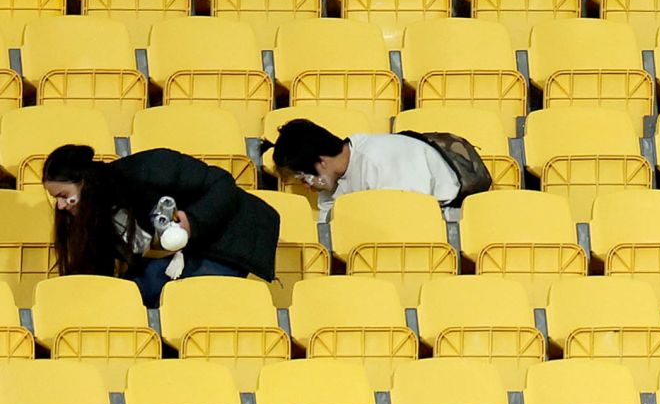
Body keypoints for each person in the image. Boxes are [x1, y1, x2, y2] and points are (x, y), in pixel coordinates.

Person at [42, 143, 281, 308]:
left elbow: (222, 183)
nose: (61, 206)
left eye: (64, 195)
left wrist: (193, 222)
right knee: (132, 296)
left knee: (187, 300)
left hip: (225, 240)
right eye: (56, 199)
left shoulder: (151, 167)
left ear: (86, 183)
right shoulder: (94, 218)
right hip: (171, 255)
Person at [261, 119, 459, 218]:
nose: (306, 186)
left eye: (304, 178)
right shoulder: (332, 180)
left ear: (321, 162)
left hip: (444, 218)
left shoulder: (377, 159)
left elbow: (410, 214)